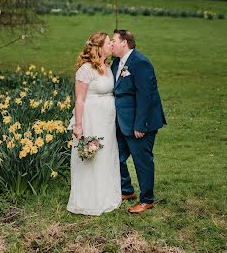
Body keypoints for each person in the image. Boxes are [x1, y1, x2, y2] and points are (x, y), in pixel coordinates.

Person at [111, 29, 166, 214]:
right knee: (115, 157)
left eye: (114, 41)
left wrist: (141, 125)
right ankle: (127, 190)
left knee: (142, 161)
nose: (111, 44)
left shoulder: (140, 63)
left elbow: (146, 96)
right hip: (122, 122)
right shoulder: (117, 62)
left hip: (139, 124)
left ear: (124, 43)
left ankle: (146, 200)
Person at [67, 32, 121, 216]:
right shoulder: (86, 69)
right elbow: (80, 100)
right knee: (92, 155)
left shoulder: (108, 66)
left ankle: (106, 196)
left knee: (107, 154)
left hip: (107, 120)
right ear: (99, 47)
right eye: (108, 43)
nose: (111, 45)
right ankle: (88, 200)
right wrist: (79, 125)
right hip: (92, 118)